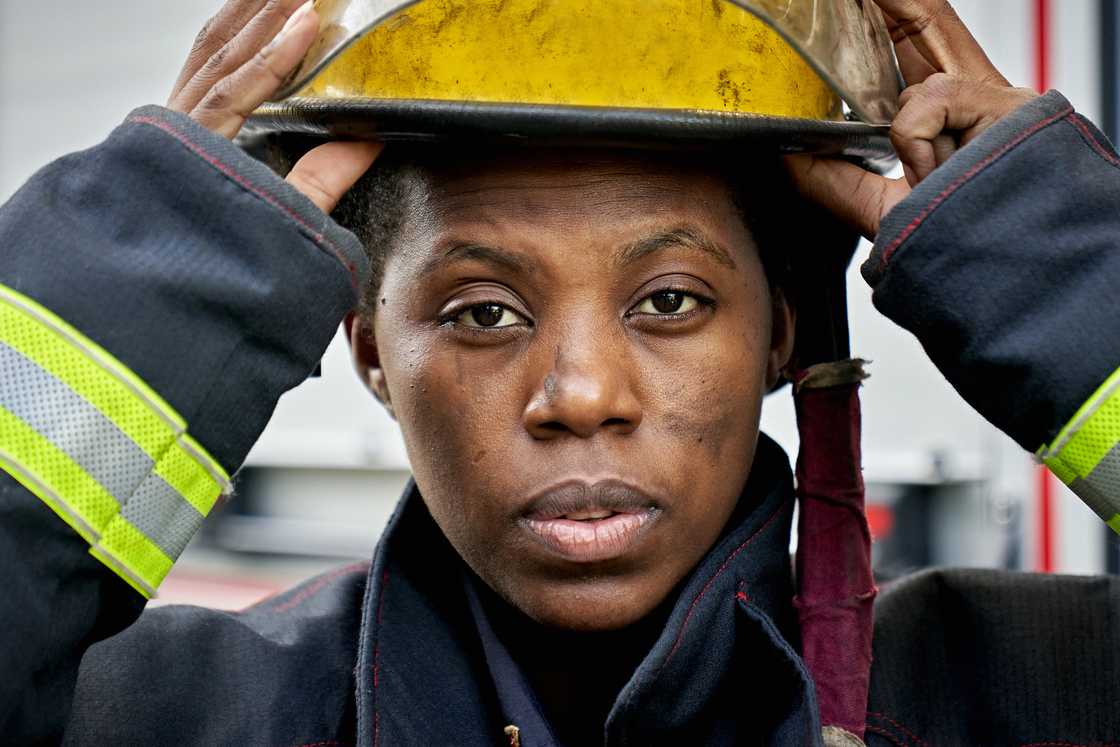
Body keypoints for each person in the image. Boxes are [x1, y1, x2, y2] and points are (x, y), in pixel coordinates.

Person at [1, 0, 1118, 745]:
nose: (581, 395)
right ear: (368, 347)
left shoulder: (1028, 692)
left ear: (780, 336)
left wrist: (1056, 271)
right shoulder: (165, 713)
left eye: (668, 301)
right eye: (483, 311)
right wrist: (144, 268)